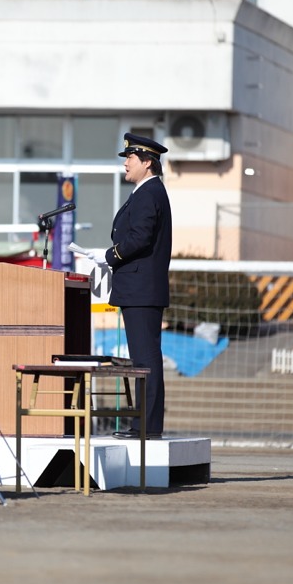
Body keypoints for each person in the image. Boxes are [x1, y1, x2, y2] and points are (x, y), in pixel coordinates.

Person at [102, 132, 172, 439]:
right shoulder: (147, 192)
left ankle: (146, 427)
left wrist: (111, 255)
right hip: (140, 288)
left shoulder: (149, 192)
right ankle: (146, 425)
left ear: (147, 162)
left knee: (145, 360)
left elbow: (140, 236)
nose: (126, 163)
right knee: (145, 358)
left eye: (130, 157)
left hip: (142, 288)